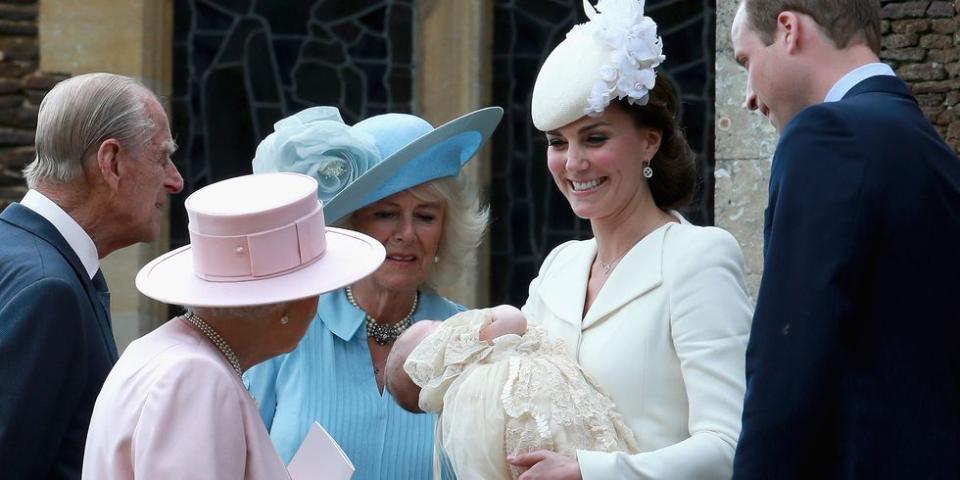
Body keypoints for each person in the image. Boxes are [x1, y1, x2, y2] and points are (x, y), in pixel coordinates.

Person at [507, 1, 754, 478]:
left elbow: (730, 445)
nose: (573, 163)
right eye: (558, 143)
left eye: (594, 138)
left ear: (650, 140)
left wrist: (592, 472)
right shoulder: (560, 266)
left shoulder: (699, 258)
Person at [730, 1, 960, 478]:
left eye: (746, 62)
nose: (749, 96)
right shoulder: (932, 154)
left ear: (788, 29)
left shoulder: (827, 134)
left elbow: (786, 365)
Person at [244, 105, 502, 479]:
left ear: (447, 229)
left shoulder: (470, 342)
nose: (407, 233)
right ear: (351, 225)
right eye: (386, 213)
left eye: (426, 216)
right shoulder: (285, 334)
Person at [81, 172, 385, 479]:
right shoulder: (197, 379)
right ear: (285, 306)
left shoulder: (165, 352)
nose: (317, 302)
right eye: (315, 288)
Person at [0, 73, 184, 479]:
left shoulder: (20, 253)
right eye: (161, 156)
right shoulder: (49, 291)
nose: (175, 180)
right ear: (111, 162)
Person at [386, 305, 640, 480]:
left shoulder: (462, 415)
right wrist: (488, 318)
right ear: (435, 356)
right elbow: (514, 319)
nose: (449, 323)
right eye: (435, 326)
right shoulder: (475, 349)